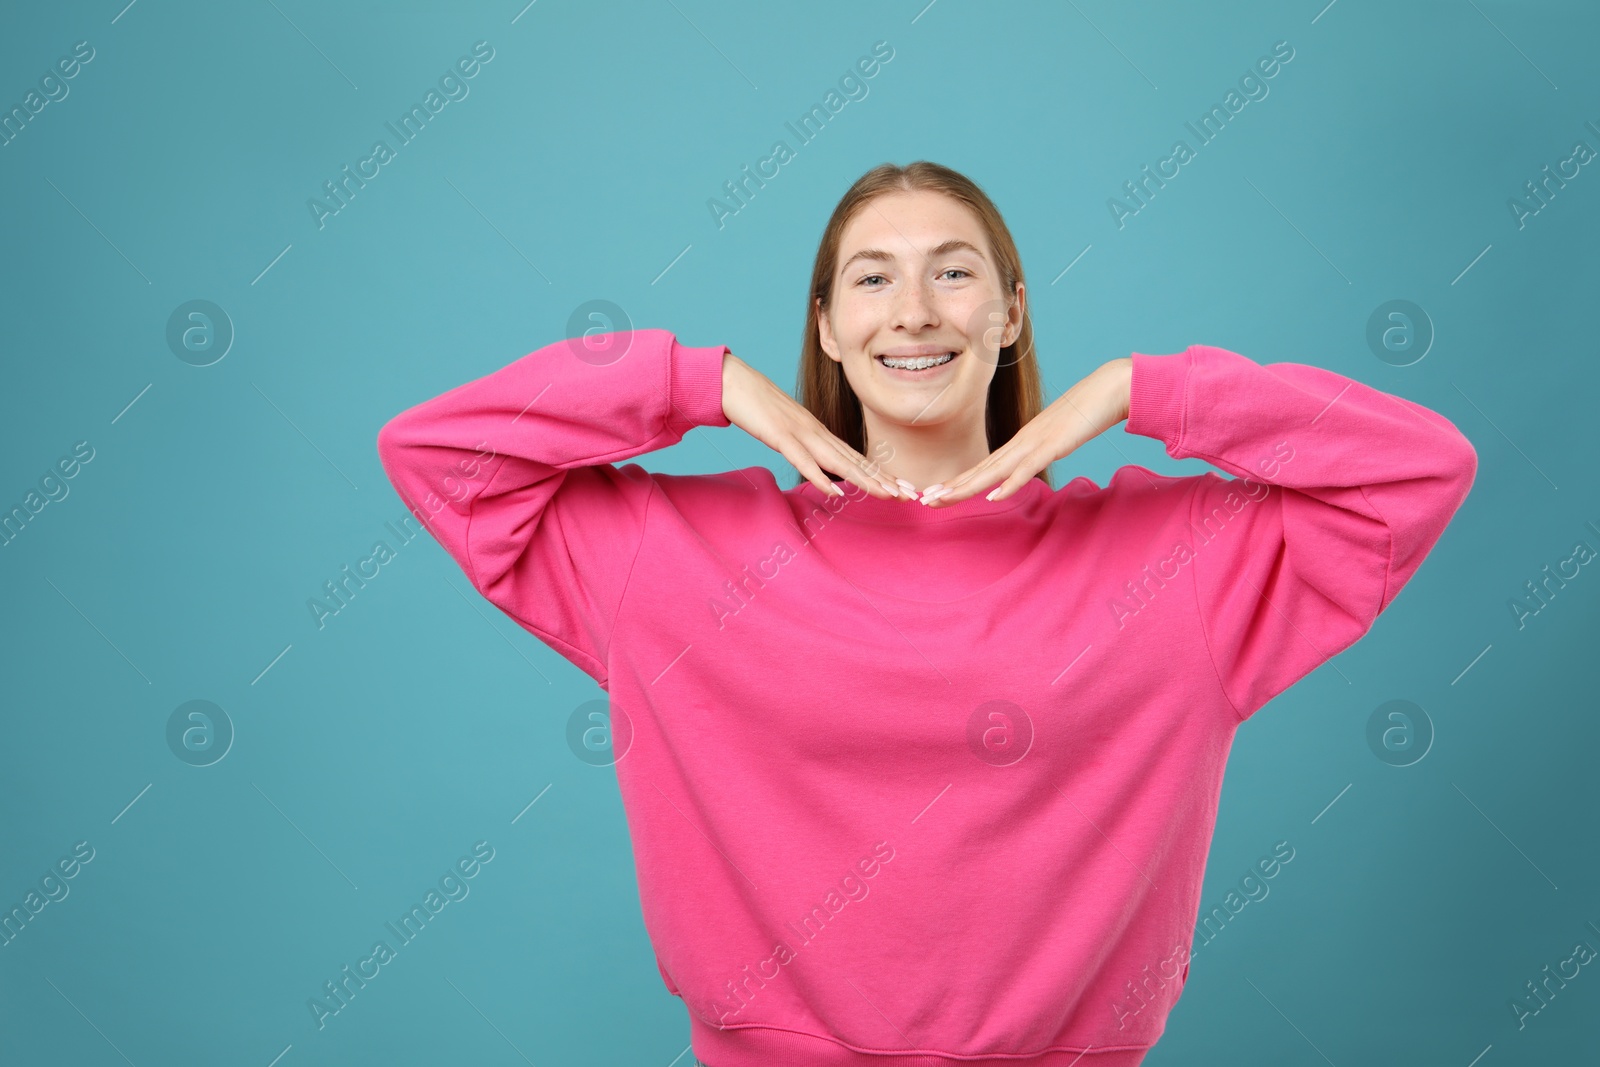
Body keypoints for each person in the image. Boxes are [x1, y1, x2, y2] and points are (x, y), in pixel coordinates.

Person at [376, 161, 1477, 1066]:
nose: (912, 310)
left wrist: (1144, 391)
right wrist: (697, 384)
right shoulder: (672, 554)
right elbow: (436, 454)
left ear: (1010, 314)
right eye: (871, 279)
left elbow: (1417, 469)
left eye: (954, 274)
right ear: (827, 323)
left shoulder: (1175, 562)